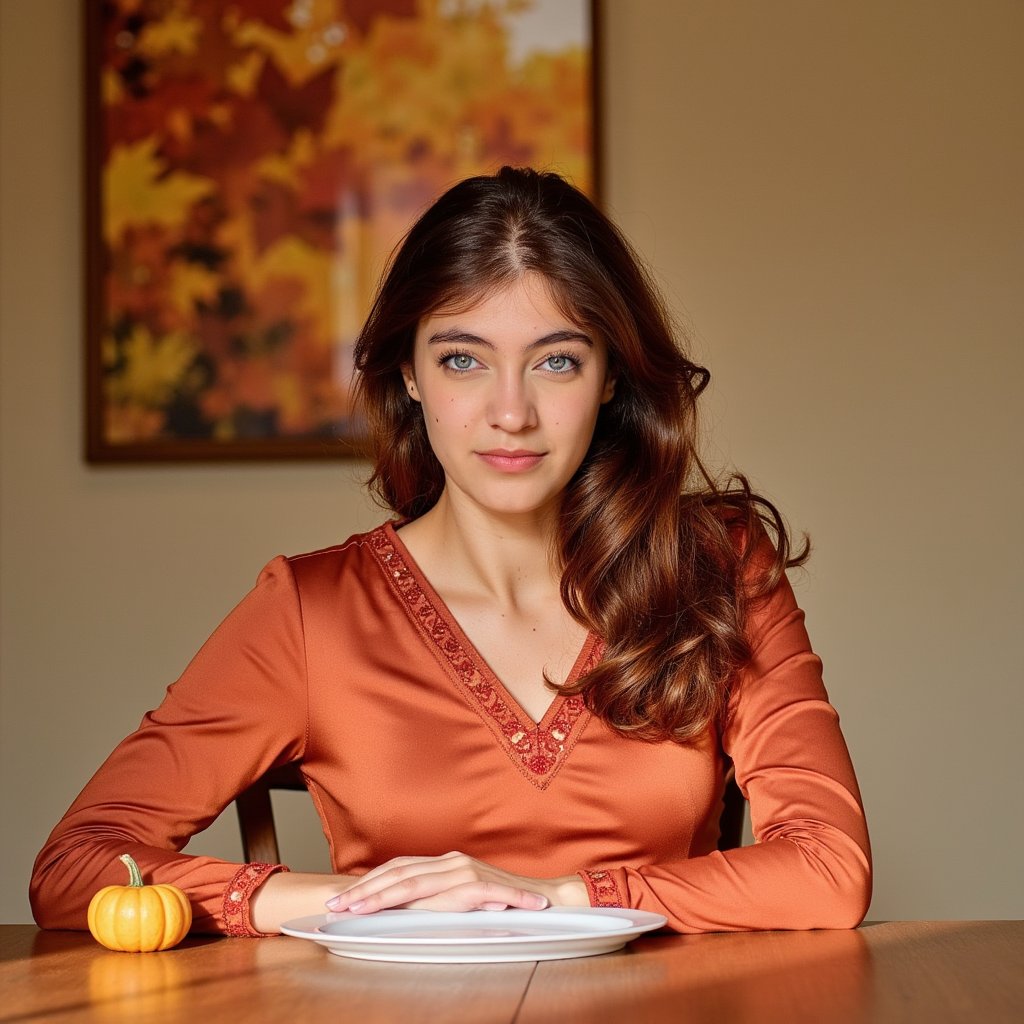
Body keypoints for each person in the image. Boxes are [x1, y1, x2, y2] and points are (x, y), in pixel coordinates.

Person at [31, 167, 871, 937]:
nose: (511, 413)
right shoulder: (309, 610)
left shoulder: (716, 566)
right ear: (407, 372)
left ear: (611, 376)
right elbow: (77, 866)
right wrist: (352, 901)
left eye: (558, 361)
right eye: (464, 359)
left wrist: (544, 898)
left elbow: (830, 871)